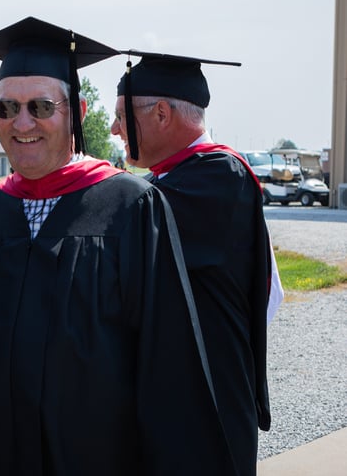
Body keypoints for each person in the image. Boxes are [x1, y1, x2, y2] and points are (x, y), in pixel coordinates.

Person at [0, 17, 236, 475]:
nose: (21, 122)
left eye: (41, 106)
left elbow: (169, 364)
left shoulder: (130, 207)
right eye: (6, 107)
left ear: (77, 112)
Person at [111, 51, 277, 475]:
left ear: (162, 114)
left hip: (209, 413)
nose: (114, 130)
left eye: (121, 117)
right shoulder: (171, 180)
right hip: (178, 405)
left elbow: (125, 219)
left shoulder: (219, 177)